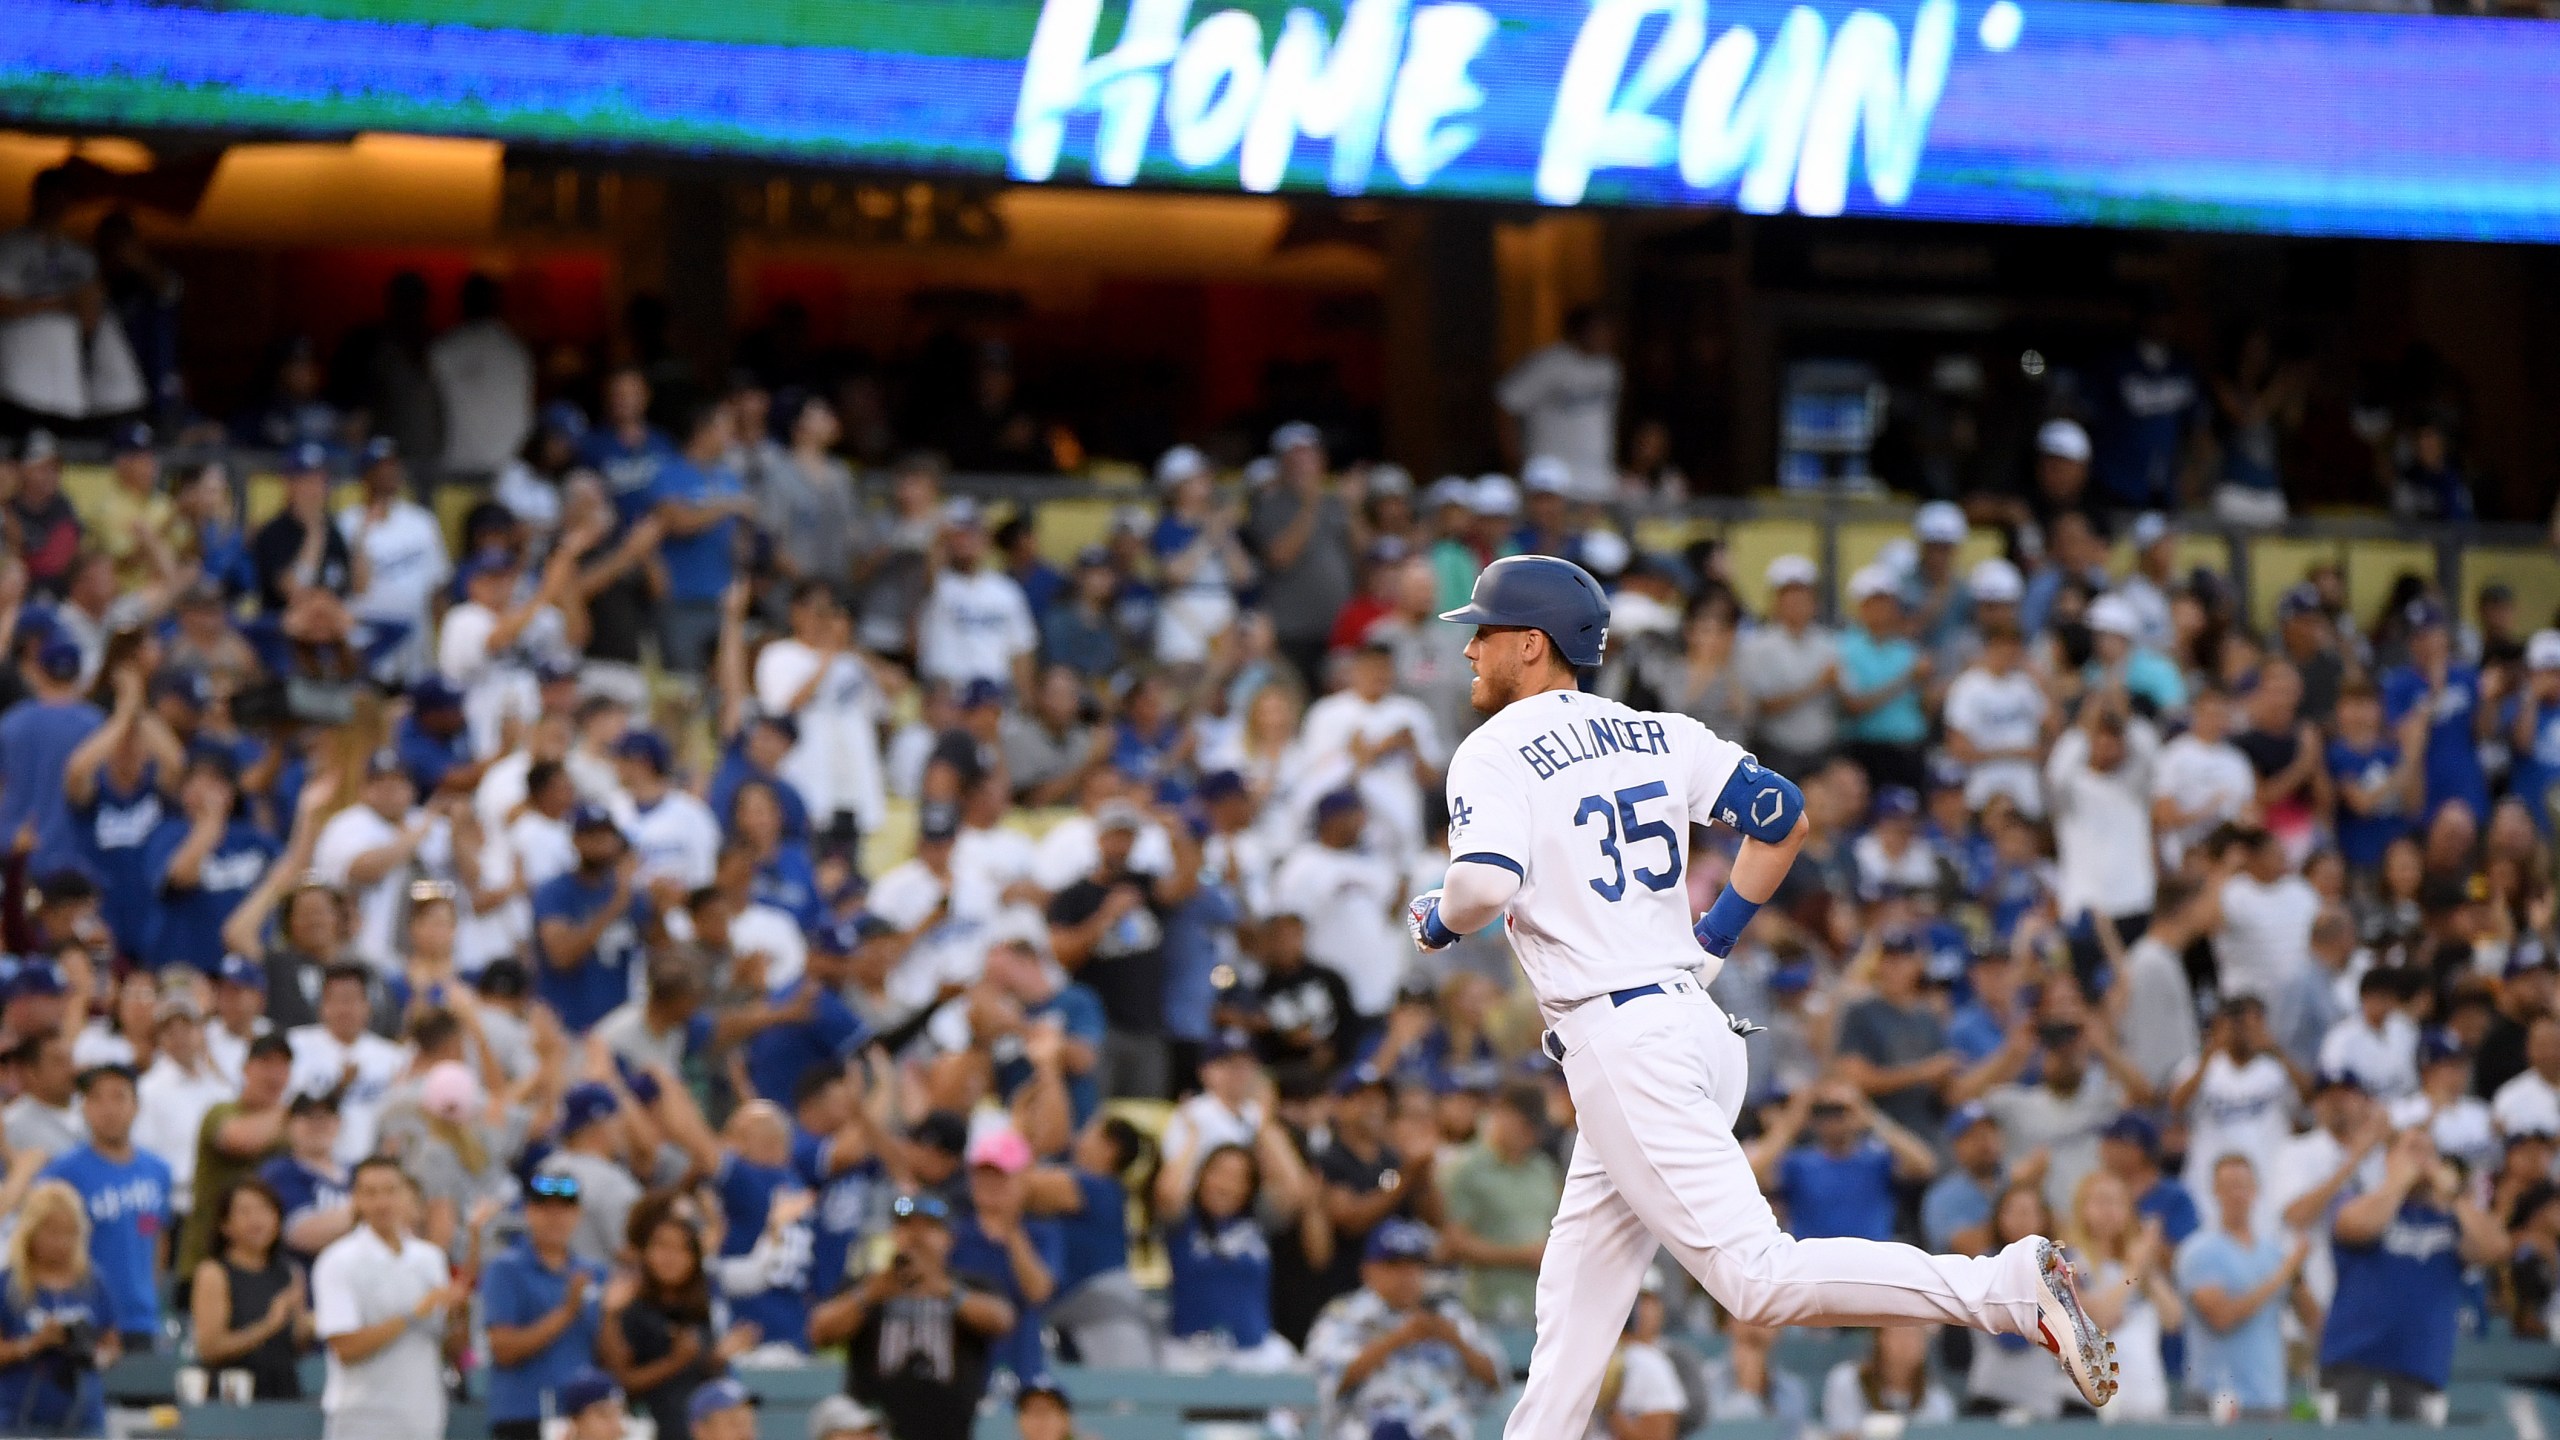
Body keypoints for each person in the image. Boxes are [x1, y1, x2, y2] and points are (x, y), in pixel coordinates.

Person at [1407, 554, 2115, 1440]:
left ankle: (2003, 1289)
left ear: (1532, 644)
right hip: (1691, 1027)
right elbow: (1783, 816)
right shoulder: (1659, 730)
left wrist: (1437, 921)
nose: (1471, 651)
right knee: (1575, 1310)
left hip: (1628, 1042)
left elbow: (1480, 885)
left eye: (1483, 633)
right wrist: (1713, 936)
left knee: (1759, 1281)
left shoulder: (1493, 748)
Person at [2321, 1126, 2507, 1419]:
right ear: (2389, 1159)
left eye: (2428, 1153)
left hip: (2420, 1364)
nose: (2421, 1162)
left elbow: (2495, 1249)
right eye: (2412, 1150)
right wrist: (2397, 1182)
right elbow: (2356, 1227)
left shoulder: (2451, 1220)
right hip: (2355, 1358)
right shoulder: (2356, 1200)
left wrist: (2455, 1196)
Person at [811, 1193, 1013, 1440]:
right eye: (906, 1226)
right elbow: (819, 1331)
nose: (916, 1237)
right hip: (874, 1430)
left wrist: (945, 1290)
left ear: (949, 1238)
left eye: (929, 1227)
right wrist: (872, 1294)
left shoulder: (968, 1284)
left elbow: (1002, 1321)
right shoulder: (870, 1284)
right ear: (894, 1234)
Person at [1305, 1219, 1507, 1440]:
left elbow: (1498, 1379)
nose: (1407, 1275)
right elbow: (1329, 1380)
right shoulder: (1344, 1315)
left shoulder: (1448, 1315)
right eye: (1395, 1265)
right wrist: (1398, 1339)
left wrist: (1455, 1341)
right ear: (1368, 1270)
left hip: (1440, 1426)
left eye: (1415, 1264)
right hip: (1370, 1425)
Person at [311, 1157, 466, 1440]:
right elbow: (345, 1348)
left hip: (425, 1417)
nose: (382, 1202)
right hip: (363, 1419)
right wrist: (412, 1314)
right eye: (370, 1192)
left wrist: (460, 1311)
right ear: (355, 1199)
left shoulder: (430, 1259)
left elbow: (451, 1347)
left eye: (391, 1191)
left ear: (407, 1195)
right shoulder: (337, 1261)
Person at [38, 1065, 171, 1351]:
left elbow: (156, 1236)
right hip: (86, 1318)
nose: (108, 1109)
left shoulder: (158, 1171)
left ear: (136, 1105)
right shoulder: (63, 1173)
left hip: (143, 1320)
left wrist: (150, 1293)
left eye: (119, 1097)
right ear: (84, 1108)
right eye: (96, 1098)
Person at [601, 1200, 758, 1440]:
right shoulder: (630, 1306)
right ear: (645, 1252)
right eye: (662, 1247)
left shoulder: (700, 1308)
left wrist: (717, 1358)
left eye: (682, 1249)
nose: (671, 1258)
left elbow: (701, 1376)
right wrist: (674, 1361)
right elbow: (621, 1383)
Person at [2174, 1154, 2313, 1415]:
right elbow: (2222, 1318)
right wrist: (2284, 1272)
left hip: (2270, 1398)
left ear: (2256, 1191)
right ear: (2215, 1191)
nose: (2237, 1194)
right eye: (2229, 1186)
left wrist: (2297, 1274)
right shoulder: (2199, 1250)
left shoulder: (2273, 1252)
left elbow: (2313, 1320)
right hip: (2216, 1398)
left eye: (2243, 1185)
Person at [484, 1172, 609, 1440]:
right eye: (544, 1208)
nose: (555, 1217)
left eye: (565, 1209)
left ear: (577, 1214)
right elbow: (503, 1349)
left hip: (583, 1417)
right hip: (524, 1414)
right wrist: (567, 1311)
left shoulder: (594, 1272)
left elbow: (606, 1351)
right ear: (528, 1211)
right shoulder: (506, 1268)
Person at [0, 1180, 119, 1436]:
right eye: (52, 1232)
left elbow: (111, 1344)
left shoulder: (94, 1282)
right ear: (31, 1231)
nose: (61, 1243)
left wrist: (91, 1354)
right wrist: (35, 1343)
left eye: (69, 1233)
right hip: (20, 1420)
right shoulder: (7, 1285)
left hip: (84, 1419)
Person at [1439, 1082, 1560, 1327]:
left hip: (1540, 1306)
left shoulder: (1543, 1169)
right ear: (1501, 1114)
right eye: (1525, 1124)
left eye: (1536, 1126)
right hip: (1486, 1306)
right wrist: (1521, 1256)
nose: (1532, 1134)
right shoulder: (1465, 1169)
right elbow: (1453, 1244)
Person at [2067, 1171, 2180, 1421]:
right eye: (2100, 1201)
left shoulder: (2136, 1265)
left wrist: (2147, 1268)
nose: (2109, 1211)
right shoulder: (2070, 1262)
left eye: (2117, 1202)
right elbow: (2100, 1320)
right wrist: (2133, 1272)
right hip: (2093, 1410)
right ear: (2082, 1208)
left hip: (2147, 1405)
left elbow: (2173, 1320)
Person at [188, 1177, 312, 1401]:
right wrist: (269, 1325)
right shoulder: (214, 1273)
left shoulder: (291, 1272)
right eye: (245, 1212)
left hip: (283, 1390)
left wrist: (309, 1326)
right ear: (225, 1225)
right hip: (233, 1395)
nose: (257, 1220)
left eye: (265, 1210)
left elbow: (295, 1344)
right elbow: (209, 1348)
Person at [1820, 1325, 1953, 1439]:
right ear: (1880, 1337)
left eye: (1917, 1335)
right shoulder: (1847, 1380)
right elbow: (1842, 1434)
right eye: (1900, 1333)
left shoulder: (1938, 1399)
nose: (1907, 1343)